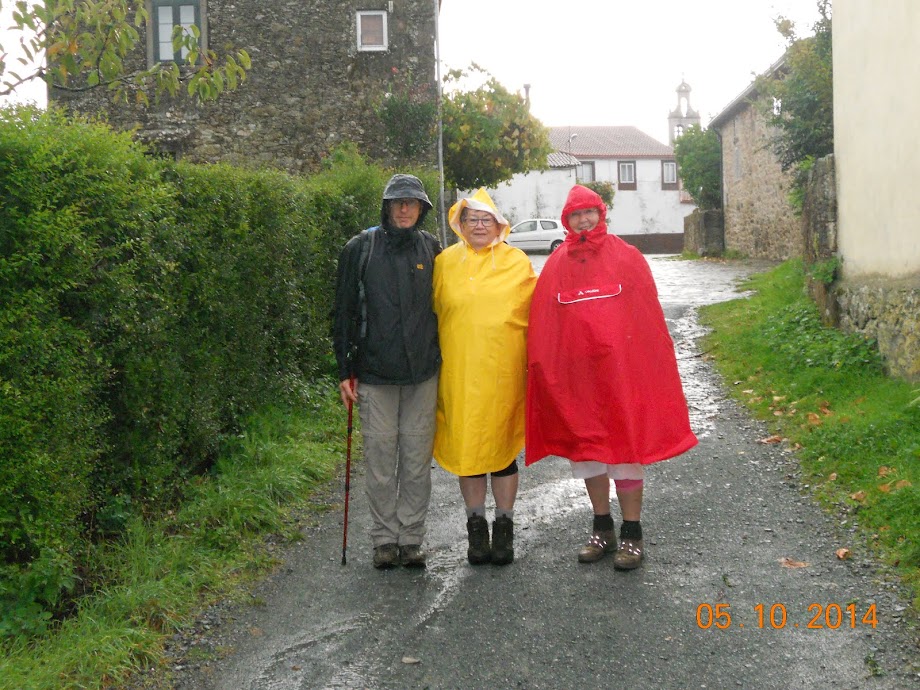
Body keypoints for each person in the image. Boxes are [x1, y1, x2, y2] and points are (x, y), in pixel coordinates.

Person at [525, 184, 698, 569]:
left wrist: (644, 368)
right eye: (575, 215)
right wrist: (546, 369)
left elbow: (647, 319)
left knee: (625, 451)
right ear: (566, 220)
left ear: (600, 214)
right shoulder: (555, 265)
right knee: (589, 453)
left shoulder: (627, 257)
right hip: (579, 380)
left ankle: (632, 534)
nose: (583, 220)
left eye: (589, 212)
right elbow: (544, 325)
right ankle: (602, 528)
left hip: (621, 377)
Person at [332, 173, 442, 569]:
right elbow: (342, 312)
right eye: (398, 202)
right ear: (386, 206)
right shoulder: (360, 249)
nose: (404, 209)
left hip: (423, 375)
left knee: (415, 463)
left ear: (422, 209)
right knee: (380, 463)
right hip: (374, 376)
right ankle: (384, 540)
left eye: (412, 203)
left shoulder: (432, 249)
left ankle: (410, 539)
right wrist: (345, 369)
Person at [433, 188, 536, 566]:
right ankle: (476, 529)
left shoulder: (517, 262)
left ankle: (504, 527)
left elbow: (539, 314)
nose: (479, 225)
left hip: (504, 373)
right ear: (459, 224)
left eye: (486, 219)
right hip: (458, 373)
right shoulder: (444, 263)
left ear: (499, 225)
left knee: (503, 449)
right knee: (469, 453)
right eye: (471, 219)